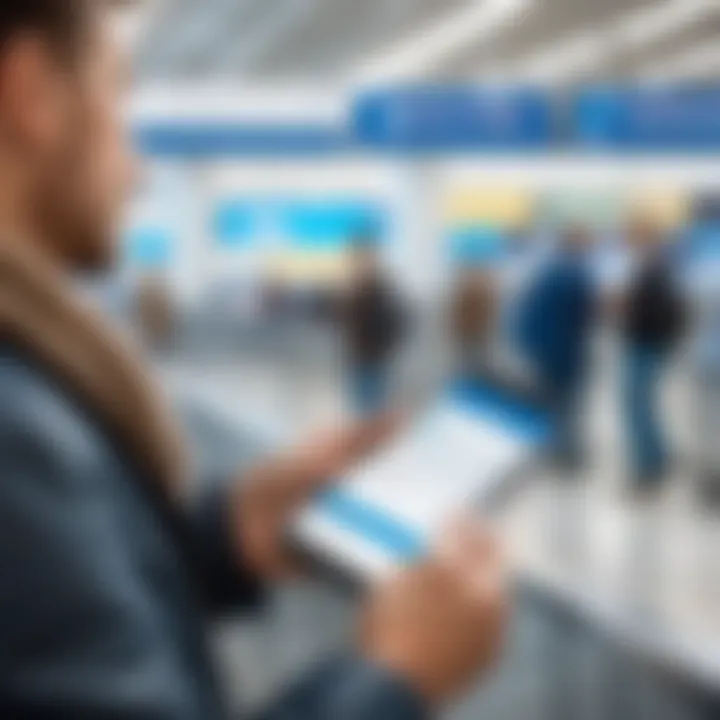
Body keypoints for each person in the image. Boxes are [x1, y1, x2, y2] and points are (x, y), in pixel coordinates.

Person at [0, 2, 506, 718]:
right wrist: (394, 676)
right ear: (30, 96)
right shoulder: (16, 438)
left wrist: (225, 537)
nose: (138, 170)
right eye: (116, 98)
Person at [515, 225, 596, 467]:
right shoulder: (576, 274)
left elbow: (528, 311)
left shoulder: (546, 272)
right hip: (566, 351)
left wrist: (528, 343)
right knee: (569, 404)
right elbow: (586, 314)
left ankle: (551, 449)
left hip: (544, 348)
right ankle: (567, 454)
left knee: (550, 401)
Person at [621, 219, 687, 491]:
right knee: (644, 406)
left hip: (643, 346)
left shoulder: (653, 273)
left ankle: (647, 469)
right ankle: (657, 457)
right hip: (650, 346)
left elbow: (652, 313)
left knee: (636, 407)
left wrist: (628, 312)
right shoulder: (660, 272)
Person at [343, 237, 406, 416]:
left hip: (374, 353)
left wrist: (387, 343)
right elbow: (351, 318)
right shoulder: (357, 286)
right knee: (362, 402)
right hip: (360, 352)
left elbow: (395, 317)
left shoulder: (379, 285)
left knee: (372, 402)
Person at [448, 265, 496, 381]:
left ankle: (475, 372)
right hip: (468, 330)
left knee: (476, 352)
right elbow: (457, 312)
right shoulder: (469, 291)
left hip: (475, 330)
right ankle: (470, 372)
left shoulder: (482, 290)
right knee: (469, 353)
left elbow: (487, 311)